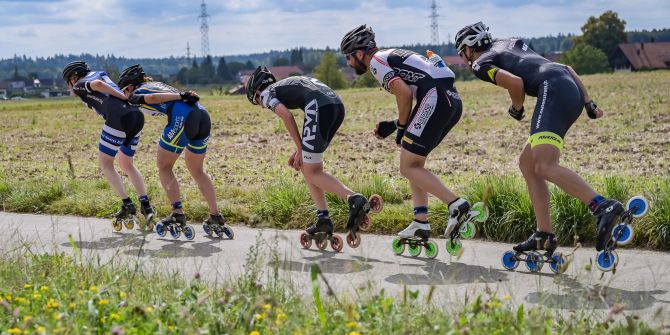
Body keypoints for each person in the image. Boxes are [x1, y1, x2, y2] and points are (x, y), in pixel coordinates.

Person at [455, 21, 619, 254]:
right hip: (568, 87)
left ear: (470, 47)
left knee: (544, 166)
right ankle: (544, 234)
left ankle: (602, 206)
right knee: (528, 164)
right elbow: (566, 67)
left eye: (462, 52)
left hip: (553, 90)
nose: (463, 58)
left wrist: (517, 108)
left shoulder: (480, 63)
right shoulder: (507, 42)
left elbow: (516, 83)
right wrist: (588, 103)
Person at [340, 24, 472, 249]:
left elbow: (402, 93)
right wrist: (395, 125)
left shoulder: (376, 62)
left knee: (407, 166)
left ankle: (456, 204)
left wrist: (401, 127)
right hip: (450, 99)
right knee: (414, 162)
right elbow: (413, 88)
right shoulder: (392, 55)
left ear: (360, 53)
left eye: (349, 57)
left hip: (435, 98)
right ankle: (420, 221)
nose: (348, 63)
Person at [244, 66, 374, 249]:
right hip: (335, 105)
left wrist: (300, 147)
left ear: (257, 91)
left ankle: (354, 198)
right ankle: (323, 218)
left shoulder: (266, 93)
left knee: (312, 171)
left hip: (319, 108)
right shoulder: (282, 85)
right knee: (309, 167)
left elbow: (287, 116)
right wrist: (301, 150)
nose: (263, 106)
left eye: (257, 102)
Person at [117, 64, 232, 239]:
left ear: (130, 86)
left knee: (164, 166)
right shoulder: (157, 83)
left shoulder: (137, 93)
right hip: (201, 115)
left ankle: (177, 212)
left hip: (182, 118)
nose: (124, 96)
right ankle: (215, 216)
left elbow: (153, 98)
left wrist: (181, 95)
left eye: (124, 91)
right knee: (197, 170)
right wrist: (181, 95)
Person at [62, 61, 154, 228]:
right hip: (136, 116)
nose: (69, 88)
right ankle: (146, 205)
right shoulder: (98, 73)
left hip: (118, 118)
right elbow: (101, 83)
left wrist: (121, 96)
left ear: (74, 78)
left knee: (105, 164)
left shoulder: (80, 84)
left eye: (67, 82)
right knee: (127, 164)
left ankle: (127, 204)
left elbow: (97, 85)